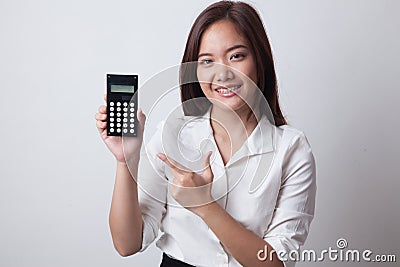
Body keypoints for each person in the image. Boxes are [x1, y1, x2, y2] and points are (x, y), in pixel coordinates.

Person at [95, 1, 316, 266]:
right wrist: (125, 161)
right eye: (207, 61)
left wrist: (204, 206)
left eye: (236, 56)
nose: (222, 73)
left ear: (260, 60)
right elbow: (127, 244)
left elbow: (277, 262)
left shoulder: (291, 148)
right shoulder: (172, 134)